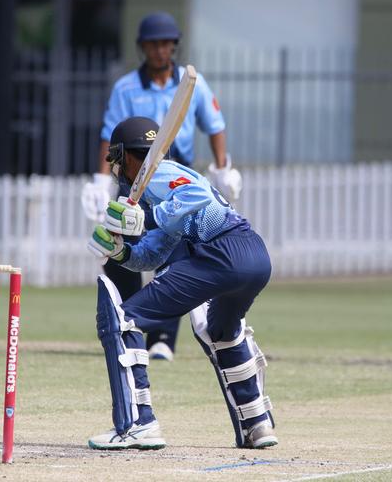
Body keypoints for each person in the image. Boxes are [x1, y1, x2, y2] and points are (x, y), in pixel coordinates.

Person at [86, 117, 276, 450]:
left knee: (123, 319)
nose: (116, 169)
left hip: (221, 253)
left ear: (125, 156)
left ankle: (136, 424)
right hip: (253, 256)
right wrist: (121, 253)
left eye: (116, 160)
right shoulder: (161, 192)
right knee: (219, 329)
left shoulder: (158, 173)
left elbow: (198, 193)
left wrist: (150, 217)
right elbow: (154, 254)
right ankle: (256, 424)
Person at [82, 12, 242, 361]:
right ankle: (127, 322)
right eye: (153, 44)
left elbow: (214, 125)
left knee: (173, 253)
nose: (160, 50)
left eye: (166, 43)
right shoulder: (126, 87)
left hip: (175, 176)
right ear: (143, 47)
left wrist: (221, 167)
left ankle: (163, 339)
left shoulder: (193, 85)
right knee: (121, 247)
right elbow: (109, 134)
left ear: (174, 46)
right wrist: (100, 179)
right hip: (131, 176)